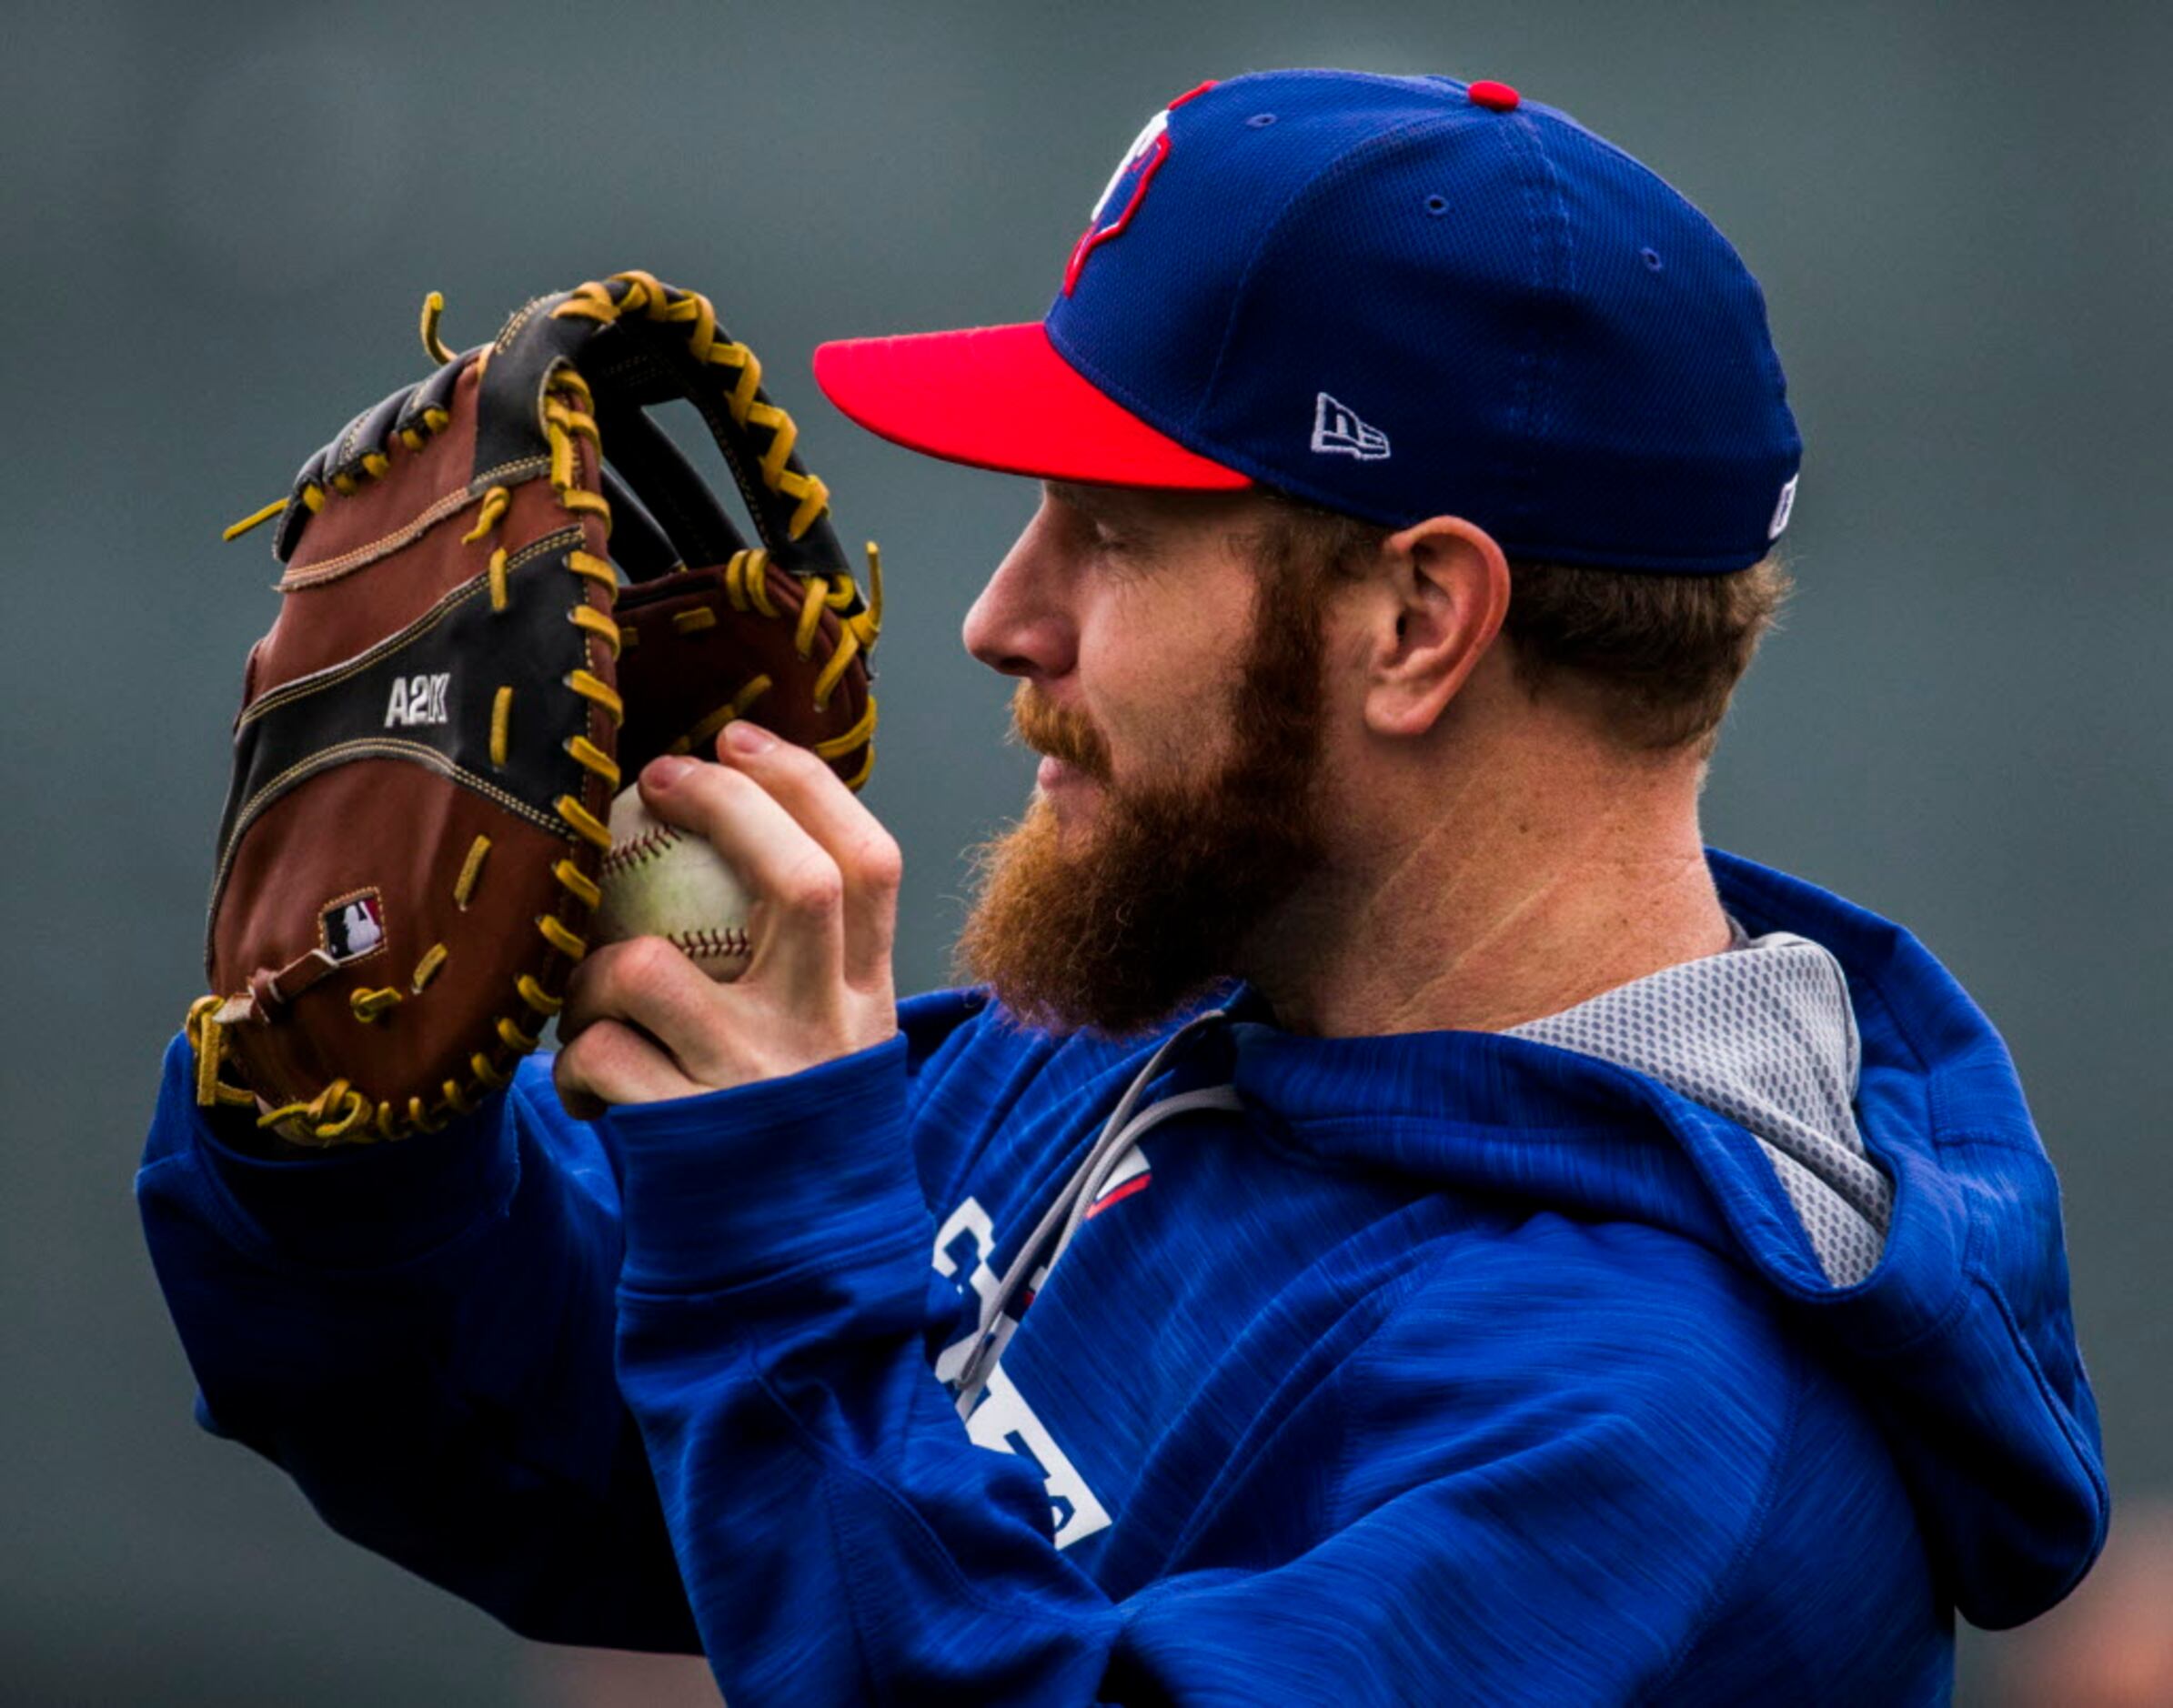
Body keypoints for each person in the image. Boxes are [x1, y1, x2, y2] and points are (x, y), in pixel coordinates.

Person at [139, 70, 2107, 1703]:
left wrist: (771, 1225)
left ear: (1419, 618)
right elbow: (585, 1446)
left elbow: (817, 1428)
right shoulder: (1154, 1042)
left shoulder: (1656, 1436)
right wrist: (347, 1126)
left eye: (1105, 530)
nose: (1001, 615)